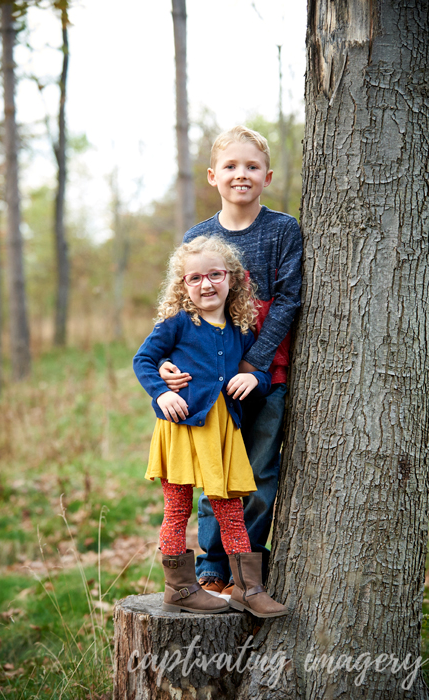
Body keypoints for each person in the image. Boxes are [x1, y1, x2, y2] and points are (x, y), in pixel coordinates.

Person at [159, 126, 303, 598]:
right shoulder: (199, 237)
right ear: (212, 176)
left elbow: (286, 301)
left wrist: (256, 366)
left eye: (252, 166)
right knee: (212, 474)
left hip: (264, 377)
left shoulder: (283, 230)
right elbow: (183, 311)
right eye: (231, 166)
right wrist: (165, 366)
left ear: (267, 176)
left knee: (258, 475)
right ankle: (211, 567)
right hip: (206, 383)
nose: (241, 174)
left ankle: (248, 574)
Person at [133, 235, 288, 618]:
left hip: (220, 431)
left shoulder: (241, 328)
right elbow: (144, 360)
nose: (206, 284)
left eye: (215, 275)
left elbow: (259, 376)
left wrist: (257, 381)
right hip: (182, 427)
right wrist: (160, 394)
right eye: (195, 278)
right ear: (183, 285)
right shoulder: (177, 324)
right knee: (177, 508)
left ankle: (247, 589)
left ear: (232, 278)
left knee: (230, 508)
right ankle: (180, 589)